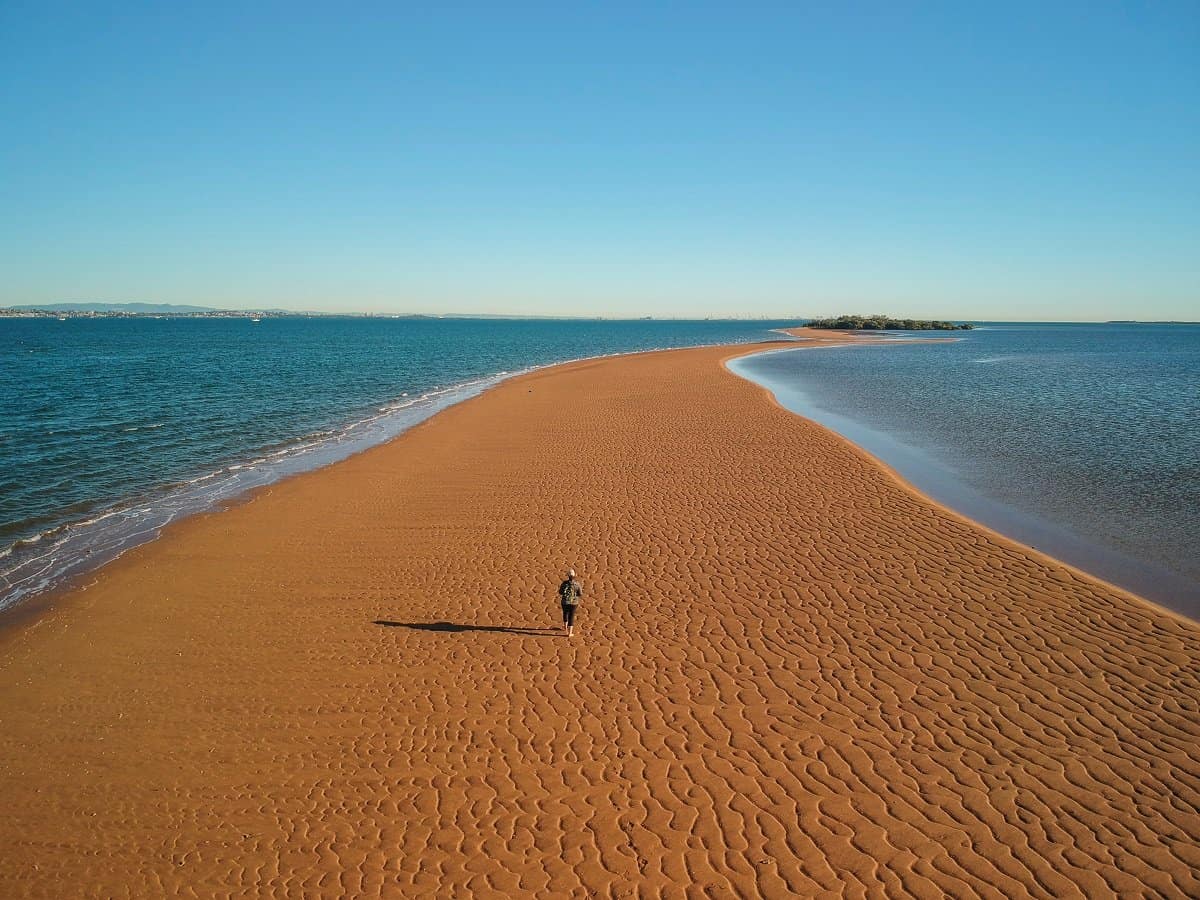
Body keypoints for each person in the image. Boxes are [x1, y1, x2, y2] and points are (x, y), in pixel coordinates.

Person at [558, 568, 583, 637]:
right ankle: (570, 633)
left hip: (565, 602)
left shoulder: (564, 583)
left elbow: (560, 592)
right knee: (571, 616)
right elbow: (580, 594)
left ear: (568, 576)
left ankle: (565, 627)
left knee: (565, 613)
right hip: (574, 603)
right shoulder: (577, 584)